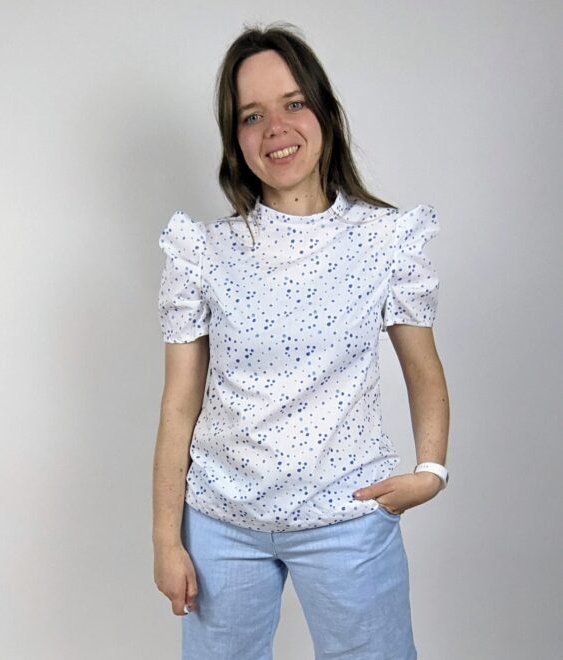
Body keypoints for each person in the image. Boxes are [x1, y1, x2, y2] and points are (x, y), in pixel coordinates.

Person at [152, 21, 450, 660]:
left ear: (325, 113)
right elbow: (179, 404)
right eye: (252, 115)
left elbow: (422, 368)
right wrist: (166, 540)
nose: (275, 128)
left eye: (292, 104)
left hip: (348, 518)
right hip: (221, 525)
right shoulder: (202, 251)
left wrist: (430, 470)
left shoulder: (385, 241)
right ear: (235, 139)